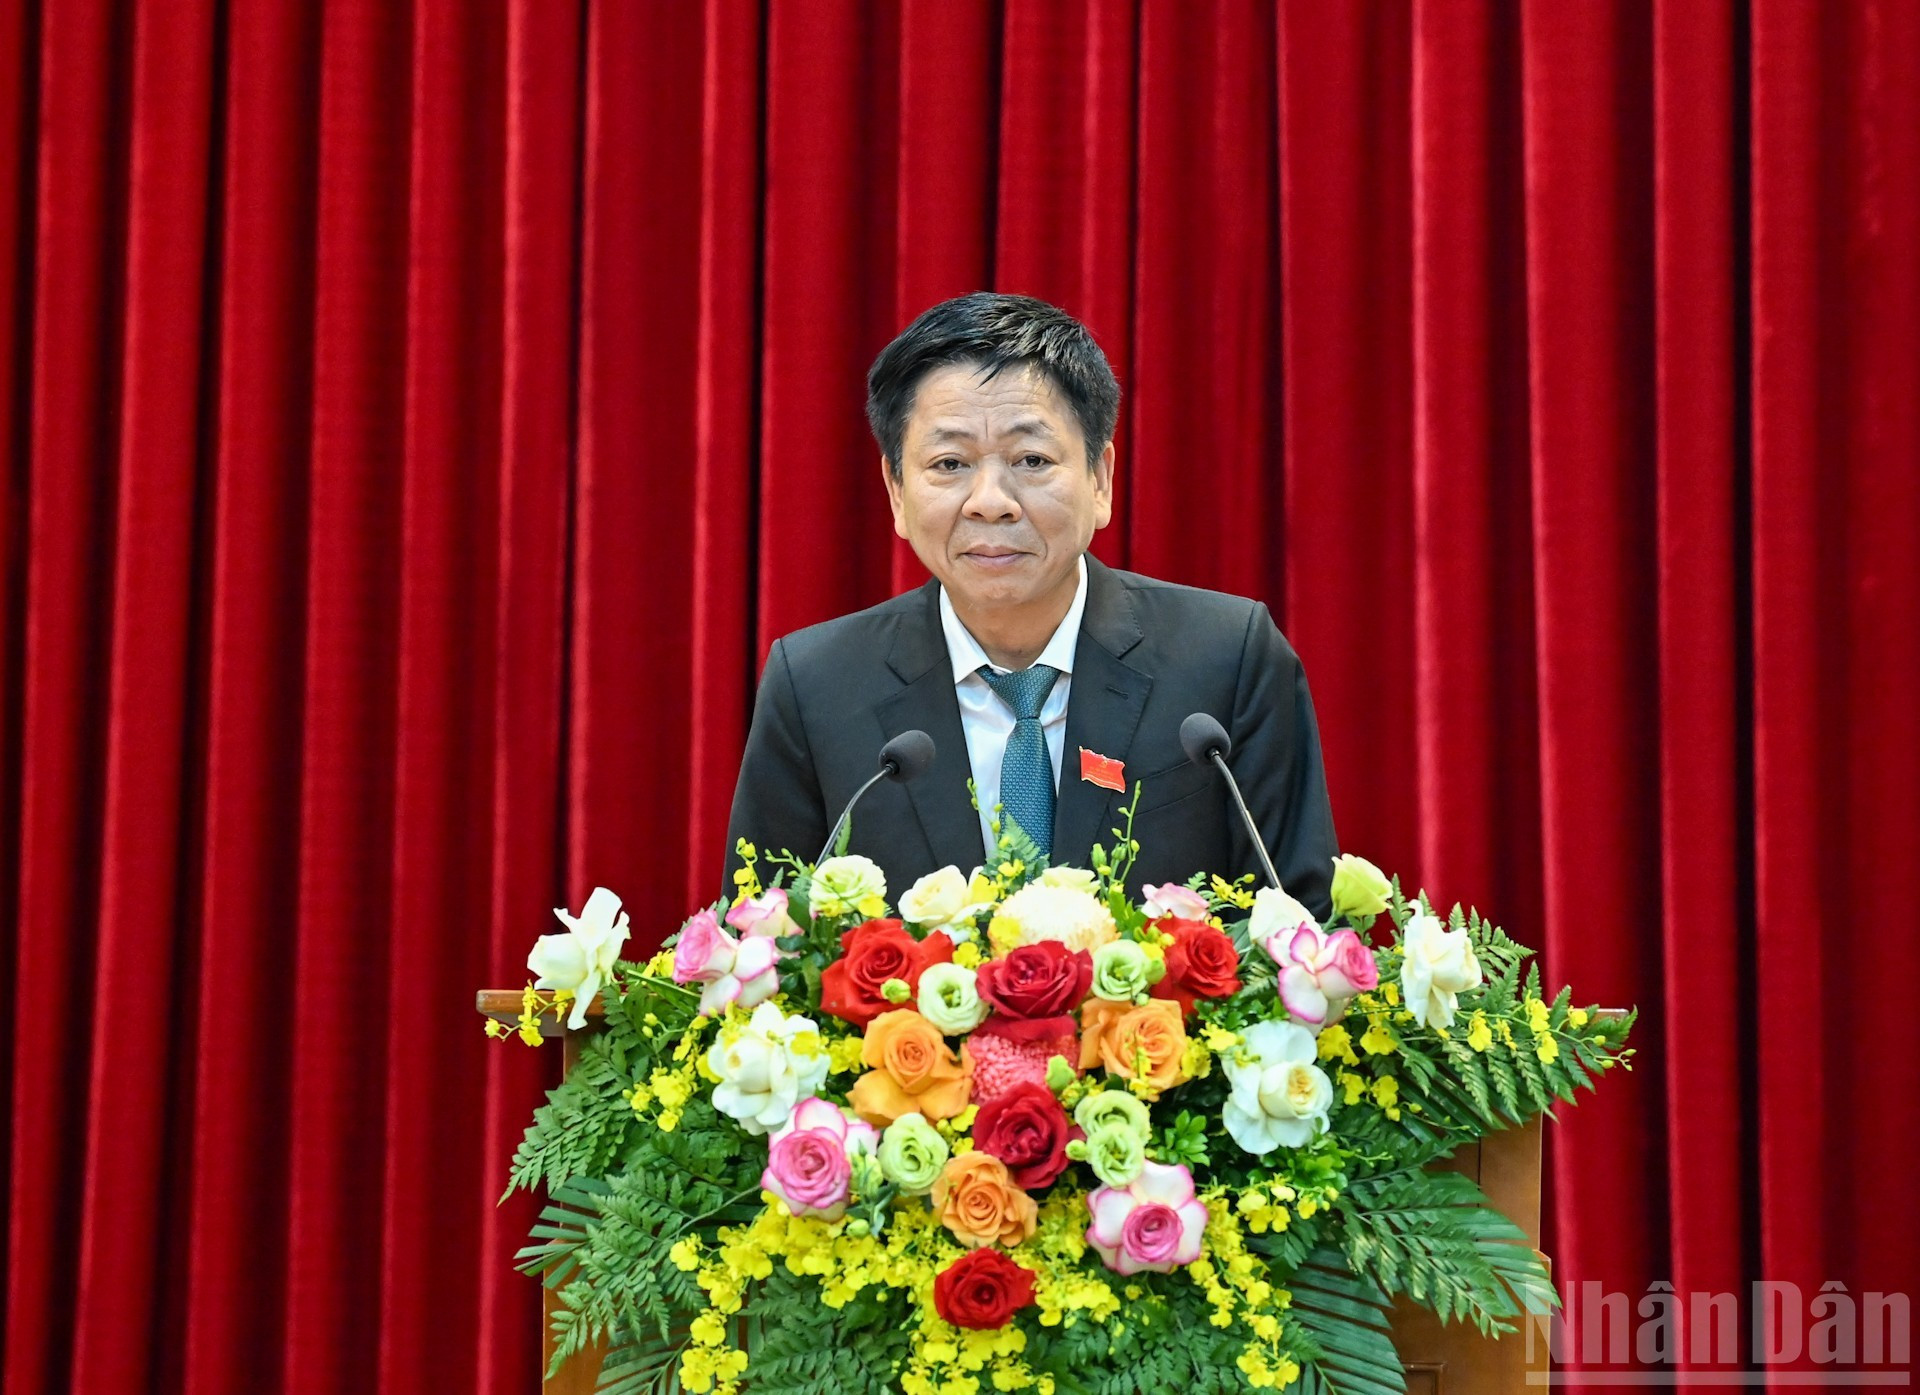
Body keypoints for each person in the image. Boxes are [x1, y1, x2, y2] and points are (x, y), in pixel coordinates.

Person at [724, 293, 1339, 915]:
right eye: (950, 463)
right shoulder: (817, 686)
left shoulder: (1228, 659)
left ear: (1100, 480)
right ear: (896, 492)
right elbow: (760, 946)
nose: (990, 500)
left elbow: (1298, 929)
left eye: (1032, 460)